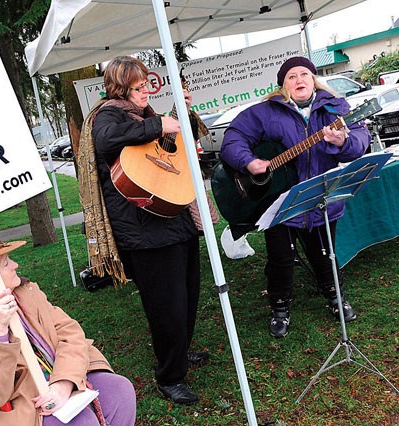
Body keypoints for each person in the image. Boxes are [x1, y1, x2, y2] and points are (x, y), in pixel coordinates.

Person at [84, 56, 208, 405]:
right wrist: (160, 125)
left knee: (188, 295)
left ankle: (180, 352)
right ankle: (169, 376)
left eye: (145, 85)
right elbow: (107, 141)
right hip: (143, 231)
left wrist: (179, 115)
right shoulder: (108, 114)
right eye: (138, 87)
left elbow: (174, 147)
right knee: (165, 305)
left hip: (174, 218)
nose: (144, 91)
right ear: (121, 88)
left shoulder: (147, 115)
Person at [220, 56, 371, 338]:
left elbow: (359, 143)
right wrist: (249, 162)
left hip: (320, 197)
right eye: (292, 76)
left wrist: (344, 141)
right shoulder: (264, 112)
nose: (299, 79)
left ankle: (335, 296)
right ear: (283, 85)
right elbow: (233, 138)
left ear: (313, 79)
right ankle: (279, 307)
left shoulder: (335, 108)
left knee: (325, 252)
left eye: (305, 74)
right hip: (278, 199)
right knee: (280, 257)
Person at [0, 230, 136, 426]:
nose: (15, 265)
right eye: (6, 263)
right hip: (12, 406)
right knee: (80, 422)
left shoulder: (26, 292)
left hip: (57, 371)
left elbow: (69, 332)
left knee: (120, 391)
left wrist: (64, 383)